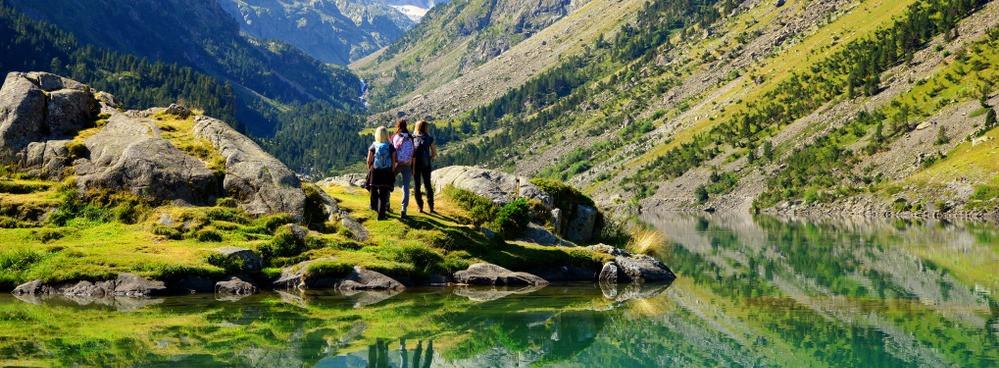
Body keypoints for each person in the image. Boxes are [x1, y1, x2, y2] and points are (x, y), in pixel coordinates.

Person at [367, 126, 397, 220]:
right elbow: (393, 160)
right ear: (387, 134)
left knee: (374, 190)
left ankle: (374, 208)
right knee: (384, 194)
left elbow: (369, 160)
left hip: (375, 171)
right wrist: (392, 170)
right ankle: (381, 215)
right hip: (386, 172)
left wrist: (370, 168)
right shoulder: (390, 146)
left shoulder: (374, 145)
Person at [391, 119, 416, 218]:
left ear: (397, 126)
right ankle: (403, 209)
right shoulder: (411, 137)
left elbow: (392, 150)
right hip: (408, 164)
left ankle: (387, 204)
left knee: (389, 182)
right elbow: (414, 153)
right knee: (406, 186)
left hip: (397, 163)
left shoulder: (394, 137)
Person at [412, 120, 437, 213]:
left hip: (415, 164)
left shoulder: (412, 137)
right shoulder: (429, 138)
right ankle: (431, 207)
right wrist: (428, 158)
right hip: (426, 164)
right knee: (427, 185)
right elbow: (434, 153)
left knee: (416, 185)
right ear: (425, 128)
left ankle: (420, 207)